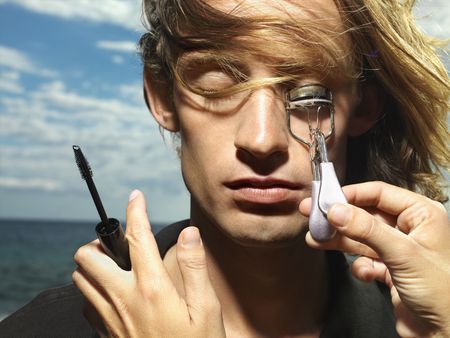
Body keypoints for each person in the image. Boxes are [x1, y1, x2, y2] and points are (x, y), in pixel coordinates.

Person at [1, 0, 449, 337]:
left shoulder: (427, 320)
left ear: (363, 106)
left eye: (309, 94)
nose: (261, 139)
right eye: (217, 80)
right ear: (161, 96)